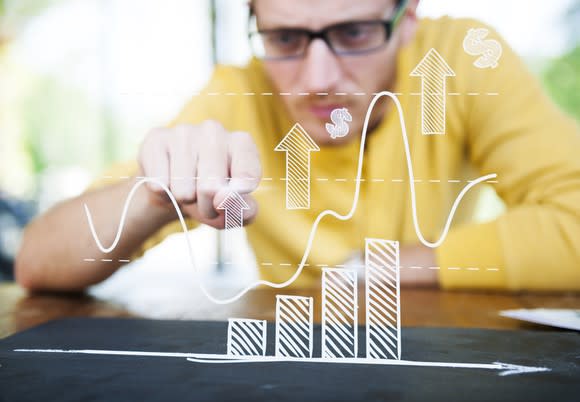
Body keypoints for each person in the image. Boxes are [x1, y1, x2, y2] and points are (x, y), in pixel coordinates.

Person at [15, 0, 580, 292]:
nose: (317, 78)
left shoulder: (453, 62)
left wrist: (384, 267)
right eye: (284, 37)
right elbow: (37, 264)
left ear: (407, 19)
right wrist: (152, 198)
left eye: (353, 33)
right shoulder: (239, 93)